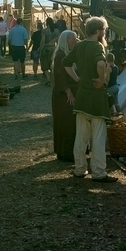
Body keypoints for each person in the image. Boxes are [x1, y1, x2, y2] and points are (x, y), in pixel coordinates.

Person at [62, 17, 114, 181]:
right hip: (96, 97)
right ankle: (98, 172)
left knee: (81, 136)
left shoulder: (79, 45)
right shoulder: (97, 46)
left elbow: (66, 63)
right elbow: (100, 64)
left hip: (82, 96)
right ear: (98, 31)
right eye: (103, 30)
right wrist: (101, 79)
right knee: (98, 137)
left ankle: (79, 169)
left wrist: (77, 78)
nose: (103, 33)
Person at [50, 29, 79, 162]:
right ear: (66, 41)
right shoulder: (60, 55)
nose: (75, 40)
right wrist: (68, 91)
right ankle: (65, 152)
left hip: (70, 92)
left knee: (71, 123)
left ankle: (68, 151)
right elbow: (59, 76)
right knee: (66, 123)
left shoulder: (70, 54)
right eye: (73, 38)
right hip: (64, 95)